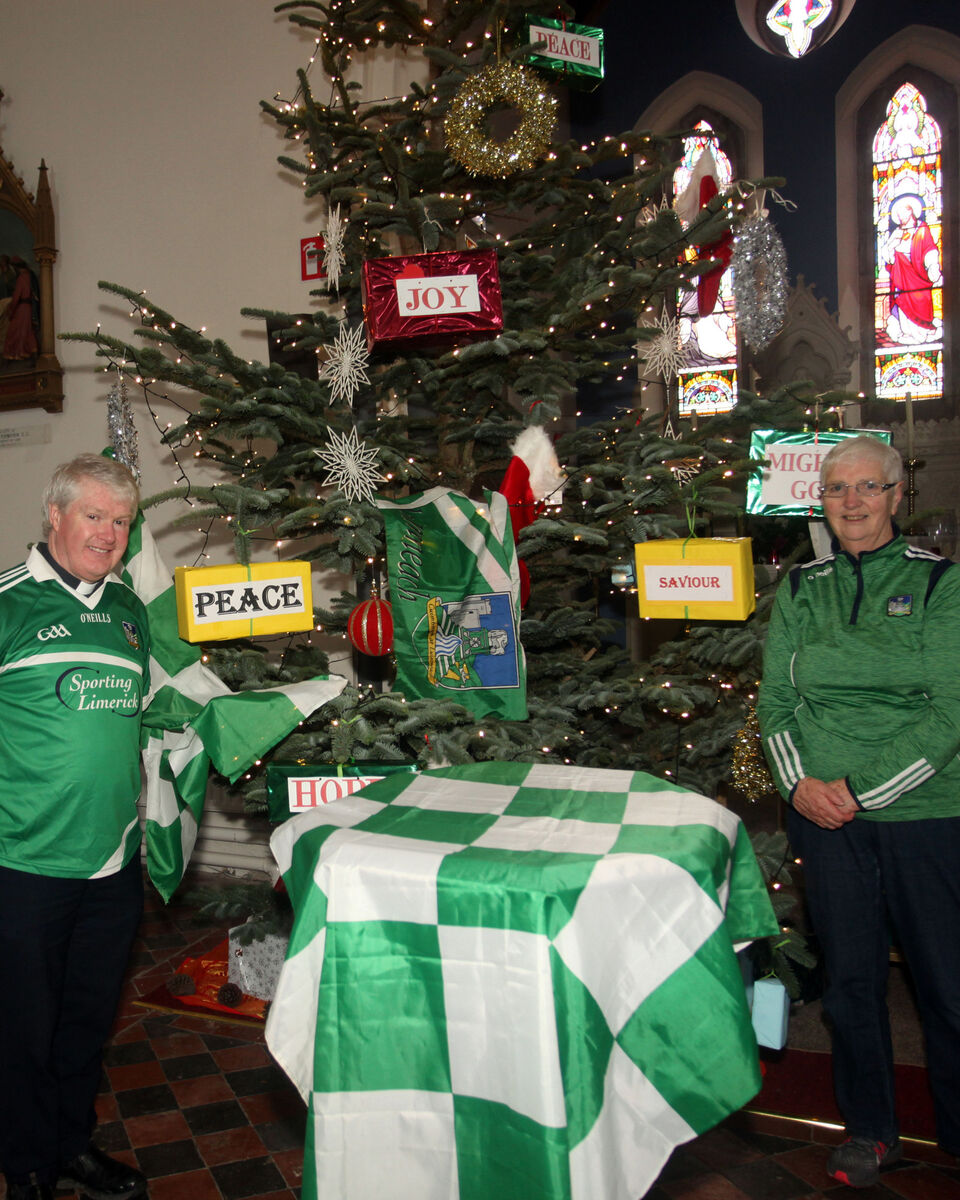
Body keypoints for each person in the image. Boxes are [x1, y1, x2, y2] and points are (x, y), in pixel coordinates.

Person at [757, 434, 960, 1188]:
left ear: (896, 496)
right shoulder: (802, 589)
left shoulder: (942, 587)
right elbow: (776, 701)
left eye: (868, 488)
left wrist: (859, 790)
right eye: (838, 489)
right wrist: (802, 787)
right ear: (823, 499)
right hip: (822, 813)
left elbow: (950, 713)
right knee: (849, 984)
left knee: (946, 986)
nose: (852, 502)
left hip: (927, 815)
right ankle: (871, 1132)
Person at [0, 454, 151, 1200]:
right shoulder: (6, 605)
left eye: (121, 521)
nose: (109, 532)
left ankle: (69, 1145)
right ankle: (25, 1165)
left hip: (114, 863)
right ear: (54, 515)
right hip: (22, 864)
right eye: (95, 515)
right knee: (22, 1031)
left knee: (86, 1023)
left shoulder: (130, 612)